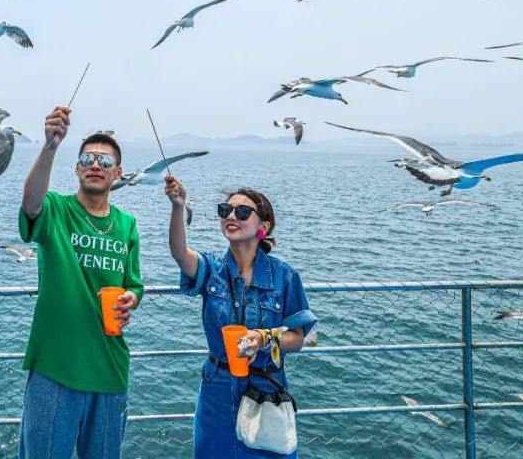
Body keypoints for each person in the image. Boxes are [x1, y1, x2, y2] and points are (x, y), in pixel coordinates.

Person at [17, 105, 145, 459]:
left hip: (110, 368)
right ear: (76, 167)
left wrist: (132, 299)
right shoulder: (56, 209)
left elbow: (133, 284)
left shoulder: (127, 224)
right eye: (88, 158)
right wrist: (50, 145)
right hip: (55, 367)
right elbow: (31, 203)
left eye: (105, 162)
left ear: (118, 173)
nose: (95, 165)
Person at [165, 176, 316, 459]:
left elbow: (298, 338)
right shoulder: (212, 268)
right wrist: (178, 207)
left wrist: (263, 338)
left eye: (242, 212)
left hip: (265, 387)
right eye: (226, 210)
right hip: (217, 390)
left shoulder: (284, 275)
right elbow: (180, 254)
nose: (231, 216)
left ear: (263, 227)